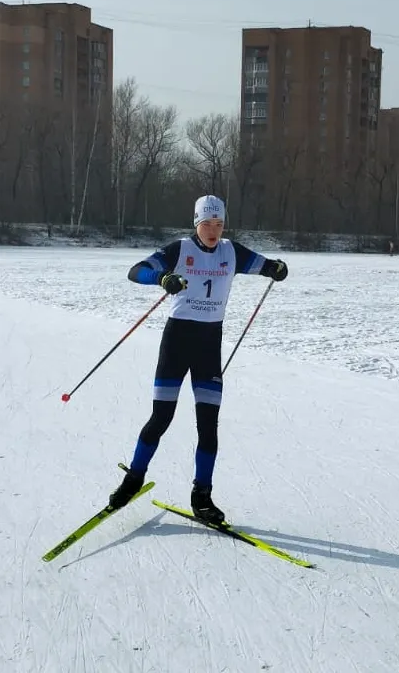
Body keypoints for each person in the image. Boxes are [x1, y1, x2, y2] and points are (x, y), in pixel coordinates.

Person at [108, 194, 288, 523]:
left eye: (219, 224)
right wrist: (162, 278)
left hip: (208, 346)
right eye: (207, 223)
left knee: (208, 427)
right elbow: (136, 271)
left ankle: (201, 496)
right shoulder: (181, 249)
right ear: (196, 223)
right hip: (177, 342)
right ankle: (133, 479)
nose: (213, 230)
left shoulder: (231, 253)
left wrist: (277, 268)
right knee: (161, 418)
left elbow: (266, 266)